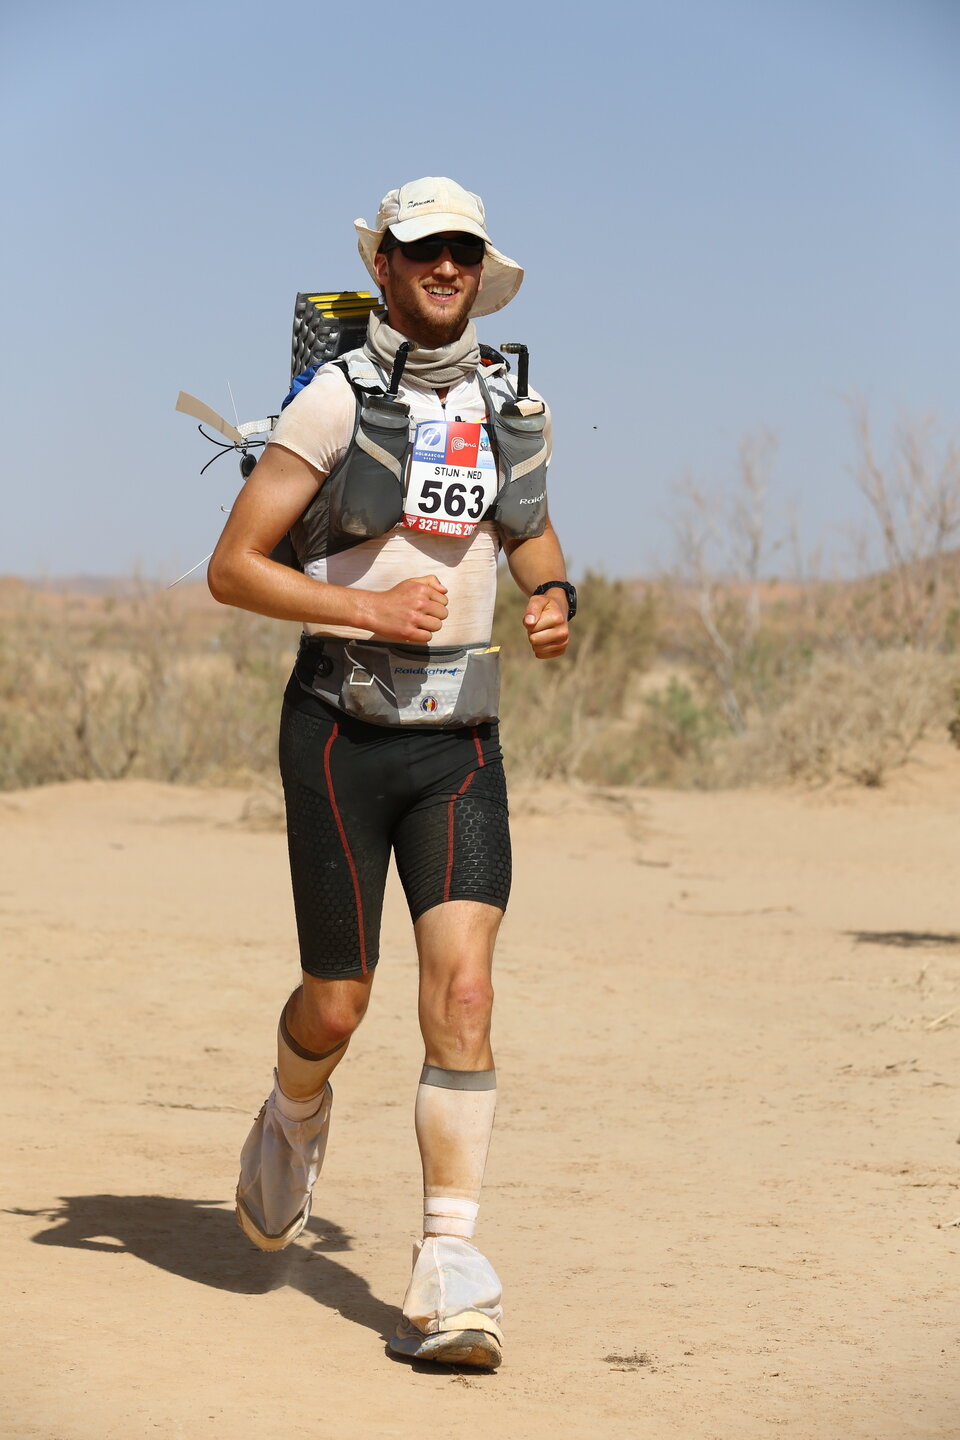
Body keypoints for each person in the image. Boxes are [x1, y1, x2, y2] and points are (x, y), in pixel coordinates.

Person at [207, 176, 575, 1370]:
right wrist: (362, 606)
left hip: (460, 741)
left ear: (482, 266)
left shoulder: (515, 401)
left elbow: (528, 528)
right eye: (422, 249)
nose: (445, 266)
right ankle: (294, 1111)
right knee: (340, 1003)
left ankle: (451, 1270)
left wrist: (552, 593)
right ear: (384, 266)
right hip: (338, 734)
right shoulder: (332, 401)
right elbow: (235, 566)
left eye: (463, 249)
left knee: (464, 993)